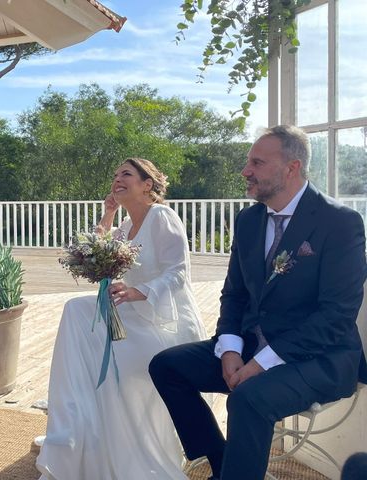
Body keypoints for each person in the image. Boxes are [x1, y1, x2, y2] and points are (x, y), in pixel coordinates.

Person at [150, 125, 367, 480]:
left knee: (248, 397)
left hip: (321, 357)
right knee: (166, 366)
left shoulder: (340, 222)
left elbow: (336, 316)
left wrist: (261, 363)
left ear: (291, 168)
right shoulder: (249, 219)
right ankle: (222, 463)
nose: (245, 170)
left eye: (257, 162)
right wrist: (231, 349)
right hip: (252, 346)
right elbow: (234, 294)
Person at [35, 158, 207, 479]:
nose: (118, 178)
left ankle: (111, 442)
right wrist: (109, 213)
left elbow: (179, 273)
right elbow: (95, 252)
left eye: (126, 174)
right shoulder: (125, 226)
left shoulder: (163, 217)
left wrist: (139, 291)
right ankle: (74, 431)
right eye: (115, 175)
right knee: (76, 310)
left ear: (147, 185)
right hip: (133, 316)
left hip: (164, 324)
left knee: (102, 349)